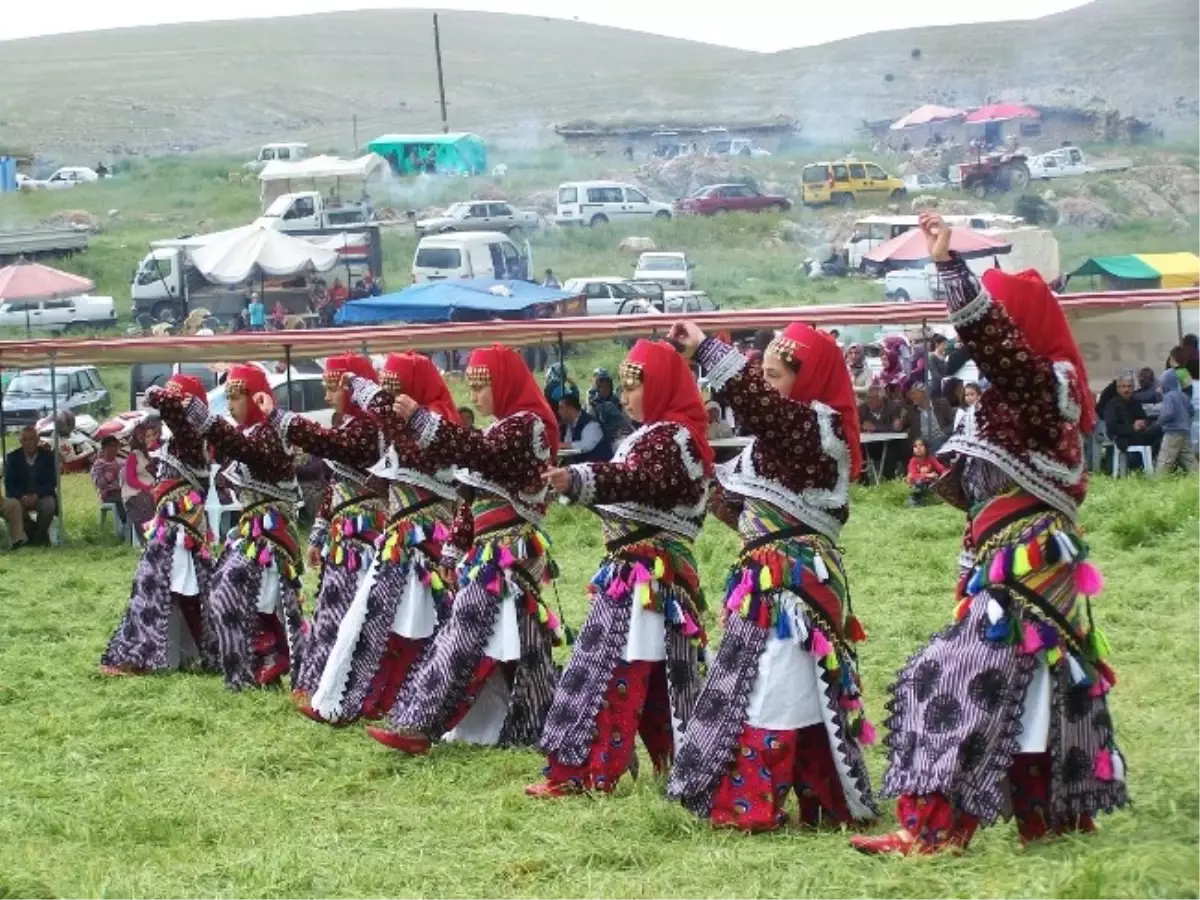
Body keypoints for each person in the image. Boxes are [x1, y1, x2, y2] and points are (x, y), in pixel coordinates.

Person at [853, 213, 1126, 857]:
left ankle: (934, 830)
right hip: (1001, 559)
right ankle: (1047, 819)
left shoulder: (1043, 385)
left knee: (953, 677)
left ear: (1020, 330)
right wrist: (942, 479)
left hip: (1027, 562)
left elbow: (999, 349)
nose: (982, 343)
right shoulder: (1006, 398)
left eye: (1000, 326)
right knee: (1027, 689)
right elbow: (989, 487)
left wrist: (951, 269)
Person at [666, 321, 878, 831]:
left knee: (772, 689)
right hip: (763, 585)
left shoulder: (819, 430)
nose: (767, 388)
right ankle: (826, 801)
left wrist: (706, 351)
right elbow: (739, 507)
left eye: (775, 377)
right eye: (763, 376)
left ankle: (751, 804)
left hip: (795, 590)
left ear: (808, 381)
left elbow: (764, 412)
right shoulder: (770, 444)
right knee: (788, 690)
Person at [529, 339, 712, 798]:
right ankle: (671, 766)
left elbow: (638, 480)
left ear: (664, 386)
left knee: (607, 669)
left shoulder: (674, 438)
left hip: (646, 576)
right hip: (637, 572)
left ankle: (585, 773)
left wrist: (580, 478)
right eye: (626, 386)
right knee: (653, 673)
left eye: (634, 386)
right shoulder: (658, 434)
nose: (626, 396)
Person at [366, 344, 565, 755]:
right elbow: (472, 497)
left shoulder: (528, 427)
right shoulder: (501, 427)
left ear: (505, 384)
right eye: (471, 387)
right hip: (488, 555)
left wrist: (422, 420)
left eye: (481, 386)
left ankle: (417, 726)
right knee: (518, 644)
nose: (473, 397)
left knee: (462, 638)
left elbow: (479, 454)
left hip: (509, 552)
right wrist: (456, 548)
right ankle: (537, 725)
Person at [298, 353, 461, 726]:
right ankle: (348, 699)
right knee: (372, 618)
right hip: (393, 541)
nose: (387, 403)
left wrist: (285, 420)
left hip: (420, 544)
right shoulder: (388, 429)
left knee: (418, 620)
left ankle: (390, 702)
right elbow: (336, 484)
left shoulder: (432, 428)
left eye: (395, 392)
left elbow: (413, 452)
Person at [149, 364, 306, 691]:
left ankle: (272, 655)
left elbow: (241, 449)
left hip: (271, 533)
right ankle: (261, 660)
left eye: (236, 397)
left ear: (254, 398)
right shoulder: (247, 432)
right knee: (235, 594)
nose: (231, 405)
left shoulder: (268, 433)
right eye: (229, 398)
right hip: (251, 530)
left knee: (240, 594)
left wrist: (197, 413)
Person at [257, 355, 389, 716]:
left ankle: (342, 689)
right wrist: (317, 536)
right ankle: (321, 685)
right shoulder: (352, 426)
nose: (329, 398)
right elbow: (334, 486)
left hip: (362, 537)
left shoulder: (368, 429)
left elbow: (328, 446)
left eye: (333, 389)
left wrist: (278, 416)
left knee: (347, 612)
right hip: (342, 537)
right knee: (334, 609)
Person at [100, 375, 219, 676]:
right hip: (171, 527)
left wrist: (160, 394)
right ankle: (195, 654)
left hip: (182, 529)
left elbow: (165, 405)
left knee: (158, 588)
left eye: (177, 402)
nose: (169, 410)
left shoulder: (192, 439)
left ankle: (143, 658)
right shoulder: (180, 442)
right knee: (177, 591)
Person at [2, 425, 58, 548]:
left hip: (42, 495)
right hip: (20, 497)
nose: (28, 443)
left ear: (37, 440)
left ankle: (37, 539)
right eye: (25, 439)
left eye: (31, 438)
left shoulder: (47, 456)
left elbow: (52, 481)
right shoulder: (12, 458)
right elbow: (9, 484)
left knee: (49, 505)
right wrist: (22, 496)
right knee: (13, 507)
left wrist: (37, 495)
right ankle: (36, 535)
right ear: (21, 442)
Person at [1103, 372, 1162, 468]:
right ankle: (1135, 465)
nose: (1126, 389)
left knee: (1162, 431)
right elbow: (1111, 428)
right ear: (1118, 388)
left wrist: (1143, 423)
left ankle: (1144, 465)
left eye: (1129, 387)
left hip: (1139, 434)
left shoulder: (1135, 402)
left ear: (1133, 388)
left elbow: (1144, 418)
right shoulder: (1112, 405)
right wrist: (1132, 427)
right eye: (1123, 386)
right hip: (1123, 438)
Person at [857, 379, 906, 480]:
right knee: (859, 447)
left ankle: (888, 480)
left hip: (890, 445)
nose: (869, 401)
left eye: (874, 398)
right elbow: (855, 424)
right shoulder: (861, 409)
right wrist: (862, 426)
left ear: (882, 399)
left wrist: (875, 427)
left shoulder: (894, 407)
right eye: (868, 398)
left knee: (893, 447)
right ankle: (862, 481)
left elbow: (896, 427)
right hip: (870, 446)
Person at [1156, 369, 1198, 474]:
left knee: (1165, 458)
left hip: (1172, 431)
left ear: (1165, 384)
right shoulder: (1183, 395)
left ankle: (1159, 479)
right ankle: (1198, 477)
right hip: (1184, 431)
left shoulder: (1168, 397)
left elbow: (1168, 413)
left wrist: (1160, 421)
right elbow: (1192, 411)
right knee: (1189, 458)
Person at [122, 421, 158, 541]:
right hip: (135, 494)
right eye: (148, 436)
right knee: (145, 505)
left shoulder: (155, 453)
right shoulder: (134, 455)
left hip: (151, 491)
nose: (152, 438)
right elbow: (130, 479)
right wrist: (148, 489)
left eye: (153, 434)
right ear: (141, 439)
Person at [559, 394, 612, 462]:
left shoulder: (591, 424)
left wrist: (563, 445)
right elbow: (568, 443)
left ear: (570, 409)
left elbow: (586, 445)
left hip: (598, 466)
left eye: (561, 408)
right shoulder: (570, 424)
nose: (559, 411)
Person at [904, 381, 953, 453]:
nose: (912, 396)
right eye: (911, 394)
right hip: (925, 445)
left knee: (938, 444)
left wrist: (944, 433)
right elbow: (900, 427)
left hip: (942, 440)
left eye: (914, 393)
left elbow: (953, 423)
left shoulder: (942, 404)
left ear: (924, 394)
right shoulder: (911, 412)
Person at [588, 368, 628, 443]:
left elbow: (622, 420)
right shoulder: (593, 402)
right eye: (602, 386)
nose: (605, 389)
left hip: (617, 435)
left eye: (608, 386)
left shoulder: (615, 400)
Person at [90, 435, 125, 520]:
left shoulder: (121, 462)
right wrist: (111, 473)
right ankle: (123, 526)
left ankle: (132, 528)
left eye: (115, 446)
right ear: (104, 447)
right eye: (111, 446)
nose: (114, 449)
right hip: (108, 495)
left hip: (122, 491)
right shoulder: (98, 464)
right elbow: (100, 484)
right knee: (125, 500)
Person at [906, 438, 946, 506]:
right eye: (915, 446)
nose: (918, 448)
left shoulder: (930, 458)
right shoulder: (913, 461)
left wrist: (945, 473)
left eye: (921, 445)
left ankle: (938, 499)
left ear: (926, 447)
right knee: (916, 481)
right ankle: (915, 500)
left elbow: (941, 468)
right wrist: (928, 475)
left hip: (929, 484)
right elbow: (913, 476)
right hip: (916, 485)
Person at [926, 334, 950, 399]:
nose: (946, 346)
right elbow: (934, 373)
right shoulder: (931, 356)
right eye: (944, 344)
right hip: (936, 386)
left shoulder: (944, 355)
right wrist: (944, 380)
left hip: (944, 384)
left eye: (946, 344)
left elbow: (946, 369)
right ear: (937, 344)